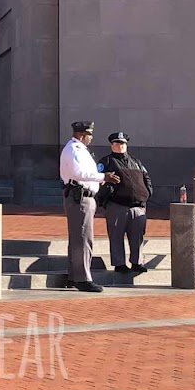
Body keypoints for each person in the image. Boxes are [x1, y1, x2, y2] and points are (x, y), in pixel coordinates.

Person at [58, 120, 119, 292]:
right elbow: (78, 174)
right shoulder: (73, 150)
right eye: (89, 134)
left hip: (85, 197)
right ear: (81, 134)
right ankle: (82, 278)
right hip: (79, 197)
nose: (91, 138)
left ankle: (74, 275)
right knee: (83, 238)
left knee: (79, 237)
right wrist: (103, 177)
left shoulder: (80, 150)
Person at [98, 131, 152, 274]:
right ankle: (119, 263)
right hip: (117, 205)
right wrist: (107, 197)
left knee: (137, 236)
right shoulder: (106, 162)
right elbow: (100, 181)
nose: (120, 146)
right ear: (111, 145)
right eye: (117, 143)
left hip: (137, 206)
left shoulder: (135, 161)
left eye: (122, 143)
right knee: (116, 235)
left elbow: (146, 178)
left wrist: (147, 193)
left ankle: (137, 262)